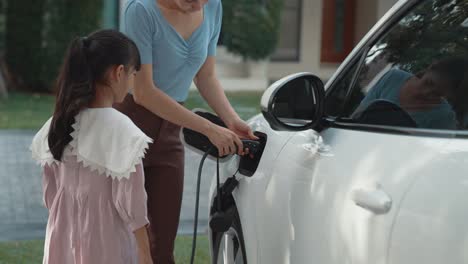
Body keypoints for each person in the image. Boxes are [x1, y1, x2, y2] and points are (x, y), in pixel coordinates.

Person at [117, 0, 258, 262]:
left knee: (162, 246)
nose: (198, 5)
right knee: (122, 241)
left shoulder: (213, 6)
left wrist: (231, 120)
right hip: (127, 130)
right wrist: (208, 129)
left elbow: (205, 75)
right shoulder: (141, 11)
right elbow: (143, 92)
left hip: (170, 133)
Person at [30, 30, 153, 264]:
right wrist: (145, 255)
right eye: (132, 74)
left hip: (61, 239)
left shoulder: (58, 123)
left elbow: (50, 195)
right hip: (107, 243)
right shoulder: (123, 132)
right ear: (119, 73)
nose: (131, 82)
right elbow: (132, 204)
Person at [354, 57, 468, 129]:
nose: (426, 93)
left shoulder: (444, 117)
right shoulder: (392, 78)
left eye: (437, 94)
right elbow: (358, 116)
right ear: (429, 68)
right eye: (428, 83)